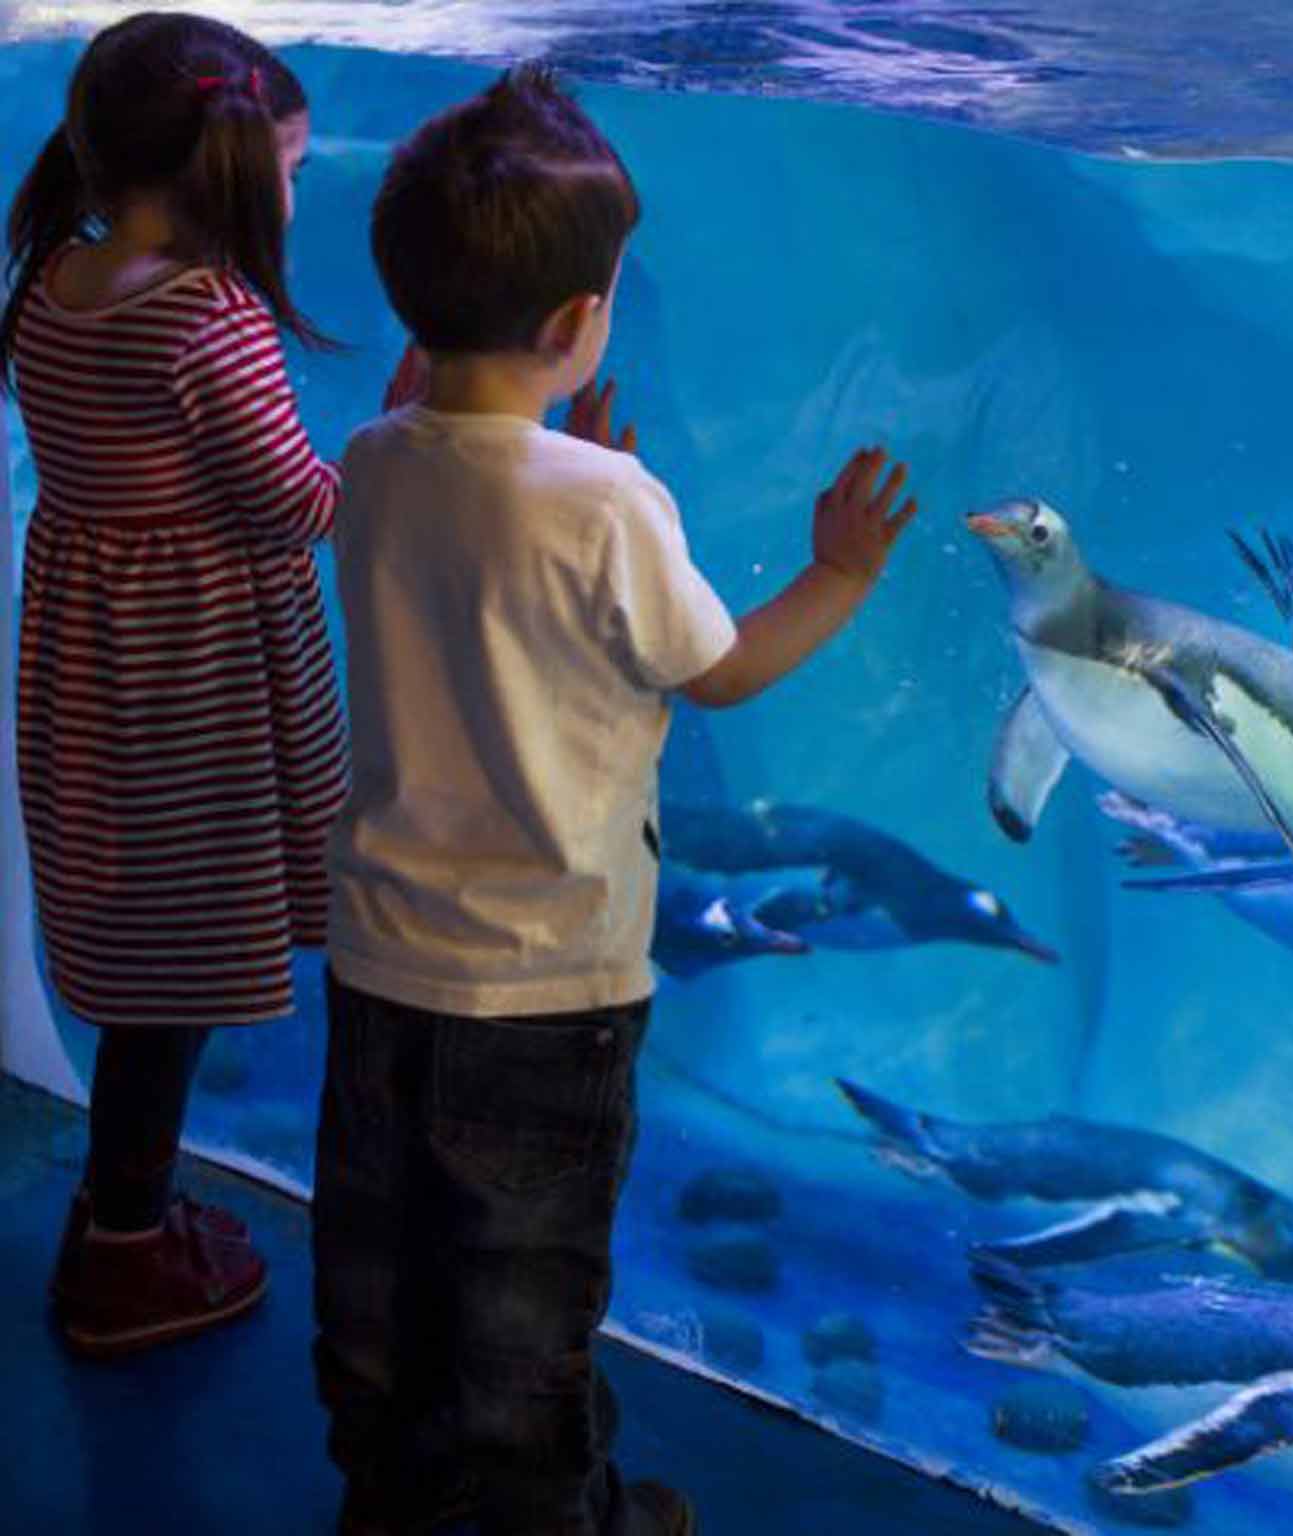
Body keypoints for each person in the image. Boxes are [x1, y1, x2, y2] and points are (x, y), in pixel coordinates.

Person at [314, 64, 917, 1536]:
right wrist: (837, 574)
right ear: (581, 324)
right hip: (548, 992)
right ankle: (558, 1516)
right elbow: (715, 672)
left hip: (383, 969)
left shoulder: (376, 461)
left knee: (386, 1291)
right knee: (528, 1300)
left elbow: (476, 524)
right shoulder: (607, 505)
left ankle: (397, 1506)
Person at [2, 13, 343, 1357]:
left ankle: (119, 1214)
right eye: (292, 174)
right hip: (196, 677)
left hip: (97, 663)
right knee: (177, 979)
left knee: (148, 948)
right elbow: (286, 507)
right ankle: (122, 1259)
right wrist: (392, 448)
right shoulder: (211, 314)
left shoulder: (50, 281)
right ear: (223, 176)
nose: (297, 199)